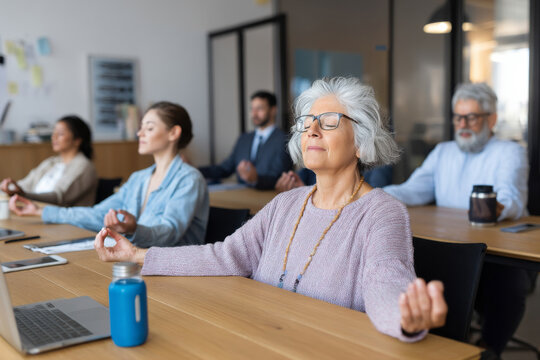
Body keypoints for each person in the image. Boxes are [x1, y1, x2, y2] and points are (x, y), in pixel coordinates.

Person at [94, 77, 447, 342]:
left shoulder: (383, 213)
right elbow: (225, 256)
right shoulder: (285, 203)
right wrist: (137, 254)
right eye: (307, 122)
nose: (311, 130)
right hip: (257, 338)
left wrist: (404, 316)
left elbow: (386, 282)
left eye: (328, 122)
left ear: (362, 140)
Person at [384, 83, 530, 356]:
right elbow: (413, 189)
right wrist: (372, 194)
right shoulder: (443, 151)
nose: (463, 124)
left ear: (492, 119)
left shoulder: (509, 151)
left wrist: (497, 207)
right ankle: (441, 345)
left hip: (491, 248)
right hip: (448, 244)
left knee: (509, 284)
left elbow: (513, 199)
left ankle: (489, 349)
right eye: (458, 117)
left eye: (472, 117)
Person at [10, 101, 209, 248]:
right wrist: (40, 211)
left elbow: (169, 234)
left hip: (173, 273)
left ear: (173, 133)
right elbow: (99, 214)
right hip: (136, 261)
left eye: (149, 128)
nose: (140, 134)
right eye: (140, 128)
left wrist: (132, 229)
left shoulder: (189, 179)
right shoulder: (139, 178)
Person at [199, 91, 293, 190]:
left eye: (259, 108)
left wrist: (256, 179)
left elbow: (281, 176)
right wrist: (194, 170)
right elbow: (224, 169)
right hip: (240, 197)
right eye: (252, 109)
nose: (254, 113)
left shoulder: (284, 140)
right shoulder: (244, 139)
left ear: (273, 110)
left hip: (269, 197)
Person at [1, 116, 97, 206]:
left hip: (61, 221)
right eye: (53, 133)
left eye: (60, 134)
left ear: (77, 140)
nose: (53, 137)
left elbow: (58, 198)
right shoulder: (51, 162)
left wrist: (23, 194)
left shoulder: (84, 166)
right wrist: (8, 188)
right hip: (33, 213)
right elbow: (26, 183)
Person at [275, 165, 393, 193]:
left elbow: (372, 199)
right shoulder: (317, 161)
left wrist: (309, 194)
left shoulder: (379, 165)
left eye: (329, 125)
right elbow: (297, 179)